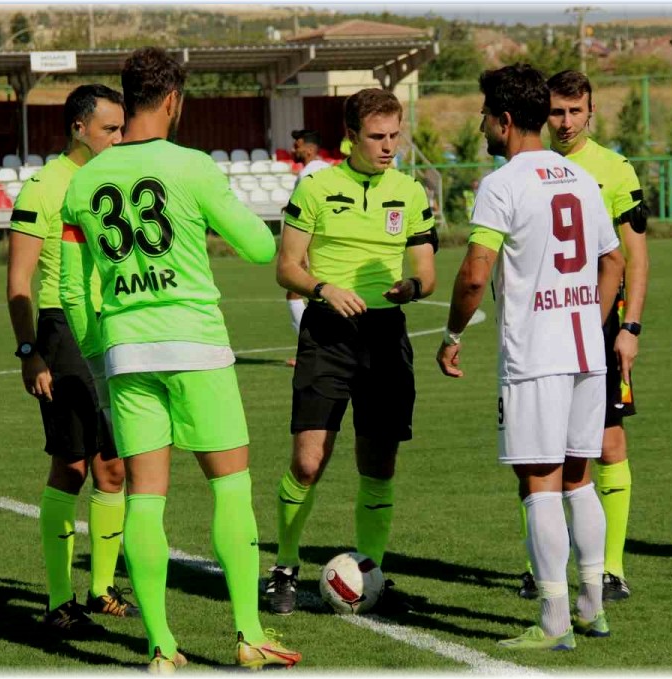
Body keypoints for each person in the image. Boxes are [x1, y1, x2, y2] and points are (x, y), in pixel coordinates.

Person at [58, 47, 301, 672]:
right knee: (231, 486)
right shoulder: (192, 166)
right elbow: (258, 247)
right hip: (195, 344)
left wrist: (100, 351)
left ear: (127, 99)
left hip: (126, 351)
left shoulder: (84, 182)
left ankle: (161, 648)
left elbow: (75, 290)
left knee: (146, 498)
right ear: (173, 100)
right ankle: (249, 635)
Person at [436, 64, 624, 650]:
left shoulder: (503, 184)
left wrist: (452, 333)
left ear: (504, 119)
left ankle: (554, 621)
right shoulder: (580, 177)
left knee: (540, 483)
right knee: (579, 479)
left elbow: (475, 273)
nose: (482, 128)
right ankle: (592, 607)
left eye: (484, 117)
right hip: (585, 352)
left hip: (536, 356)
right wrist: (587, 320)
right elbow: (614, 261)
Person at [266, 87, 438, 616]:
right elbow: (286, 267)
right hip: (327, 333)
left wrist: (410, 288)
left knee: (379, 464)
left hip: (385, 337)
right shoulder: (316, 188)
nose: (388, 146)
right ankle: (284, 568)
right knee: (308, 461)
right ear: (350, 136)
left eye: (394, 135)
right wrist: (324, 289)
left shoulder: (410, 192)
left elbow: (427, 273)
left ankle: (371, 573)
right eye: (377, 136)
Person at [515, 70, 650, 602]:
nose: (567, 122)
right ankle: (540, 567)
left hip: (597, 322)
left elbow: (634, 257)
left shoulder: (614, 169)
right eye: (557, 112)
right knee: (534, 450)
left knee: (608, 442)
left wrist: (629, 327)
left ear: (591, 112)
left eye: (575, 111)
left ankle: (610, 569)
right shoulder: (523, 167)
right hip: (539, 325)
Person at [6, 84, 134, 634]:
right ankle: (60, 601)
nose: (120, 138)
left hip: (114, 329)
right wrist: (30, 352)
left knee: (115, 467)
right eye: (110, 129)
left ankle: (102, 588)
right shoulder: (44, 187)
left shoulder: (115, 181)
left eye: (123, 128)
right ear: (79, 128)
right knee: (73, 466)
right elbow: (19, 281)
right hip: (63, 333)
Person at [281, 130, 335, 367]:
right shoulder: (328, 170)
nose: (294, 149)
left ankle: (311, 350)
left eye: (298, 145)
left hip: (310, 240)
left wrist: (301, 251)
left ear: (310, 150)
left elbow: (307, 211)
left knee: (295, 293)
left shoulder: (307, 174)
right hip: (329, 243)